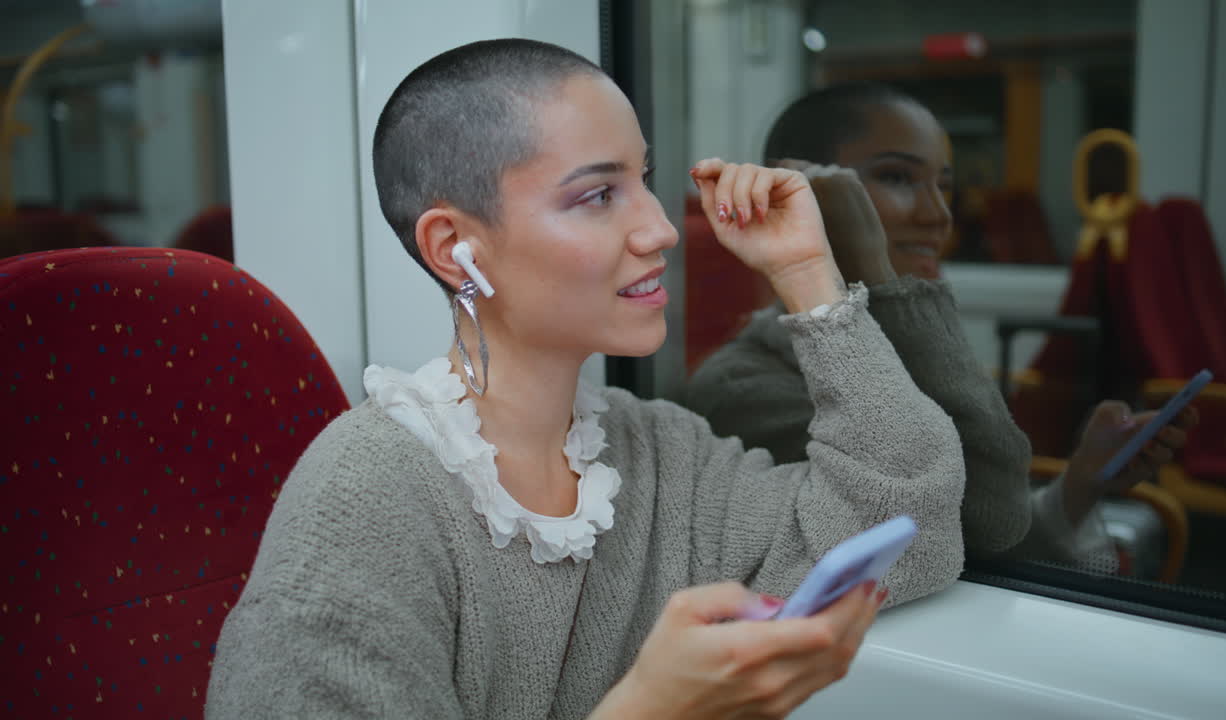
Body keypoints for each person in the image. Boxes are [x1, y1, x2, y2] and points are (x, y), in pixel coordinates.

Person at [205, 41, 969, 718]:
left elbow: (908, 520)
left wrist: (809, 275)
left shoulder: (661, 451)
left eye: (645, 180)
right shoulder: (361, 503)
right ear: (454, 248)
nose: (662, 229)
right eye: (598, 195)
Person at [686, 84, 1196, 569]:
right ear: (794, 190)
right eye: (898, 178)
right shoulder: (740, 388)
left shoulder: (904, 342)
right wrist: (880, 279)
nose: (939, 216)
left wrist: (1083, 479)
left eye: (944, 186)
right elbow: (988, 523)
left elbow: (994, 546)